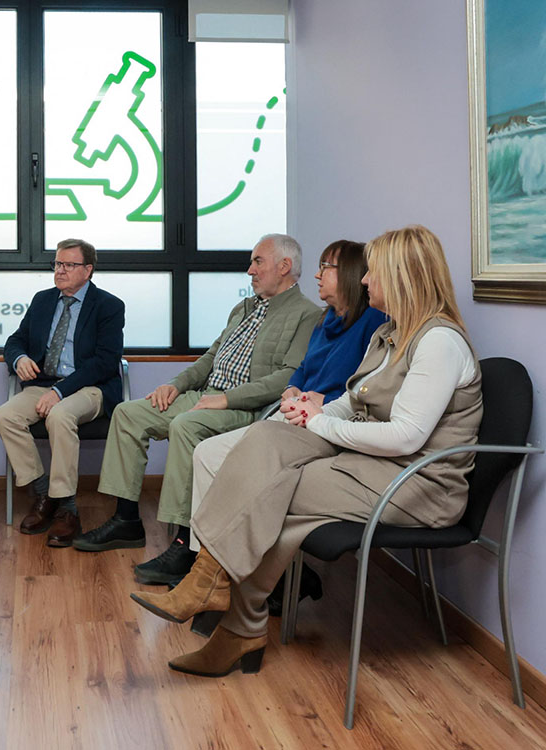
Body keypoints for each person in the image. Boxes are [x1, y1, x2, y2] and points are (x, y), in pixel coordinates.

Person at [132, 225, 481, 678]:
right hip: (372, 468)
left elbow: (406, 437)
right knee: (264, 438)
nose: (365, 280)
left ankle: (218, 594)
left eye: (373, 271)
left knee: (269, 490)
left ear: (402, 275)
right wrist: (308, 412)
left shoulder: (438, 342)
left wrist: (320, 423)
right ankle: (226, 606)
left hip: (417, 484)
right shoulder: (390, 334)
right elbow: (352, 400)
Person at [74, 235, 322, 578]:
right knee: (128, 413)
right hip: (207, 394)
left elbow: (287, 378)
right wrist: (176, 385)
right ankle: (126, 520)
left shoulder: (308, 315)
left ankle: (185, 543)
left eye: (257, 262)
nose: (250, 270)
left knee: (186, 426)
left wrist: (226, 399)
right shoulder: (245, 308)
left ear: (284, 266)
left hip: (245, 408)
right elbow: (210, 358)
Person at [173, 240, 387, 612]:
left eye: (326, 267)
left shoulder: (373, 324)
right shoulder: (325, 320)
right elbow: (302, 369)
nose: (317, 275)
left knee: (239, 469)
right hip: (293, 412)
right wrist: (292, 389)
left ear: (351, 274)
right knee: (207, 454)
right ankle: (208, 570)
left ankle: (239, 576)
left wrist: (318, 401)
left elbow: (360, 389)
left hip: (324, 424)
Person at [0, 238, 125, 547]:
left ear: (88, 270)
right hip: (44, 383)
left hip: (88, 388)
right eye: (57, 263)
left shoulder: (108, 306)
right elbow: (15, 340)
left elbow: (105, 362)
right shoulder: (43, 300)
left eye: (69, 265)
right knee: (5, 415)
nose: (60, 270)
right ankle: (44, 494)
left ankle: (67, 508)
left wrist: (60, 391)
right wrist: (19, 358)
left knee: (60, 414)